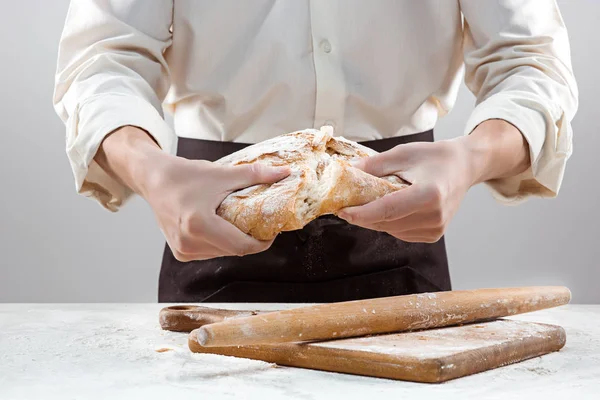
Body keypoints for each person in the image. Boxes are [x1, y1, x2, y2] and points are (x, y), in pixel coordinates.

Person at [53, 1, 578, 303]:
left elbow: (529, 60)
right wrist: (151, 170)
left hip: (400, 235)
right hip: (216, 221)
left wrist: (473, 157)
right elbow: (105, 60)